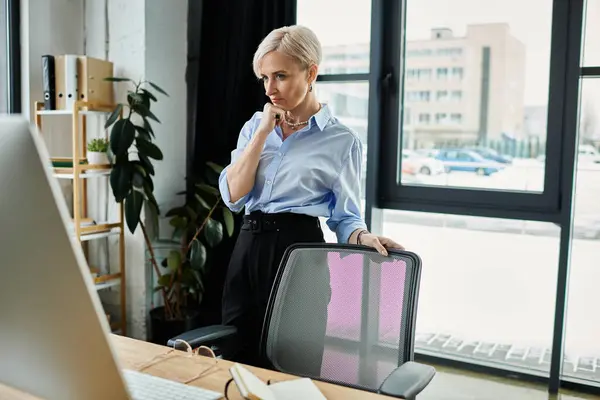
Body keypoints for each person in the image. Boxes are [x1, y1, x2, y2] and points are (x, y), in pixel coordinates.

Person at [218, 25, 404, 372]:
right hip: (248, 249)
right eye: (265, 78)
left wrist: (363, 236)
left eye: (281, 76)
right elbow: (232, 196)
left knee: (295, 364)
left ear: (311, 73)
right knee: (238, 360)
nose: (270, 88)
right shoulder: (253, 127)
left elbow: (346, 216)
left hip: (300, 252)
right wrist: (262, 132)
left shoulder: (341, 140)